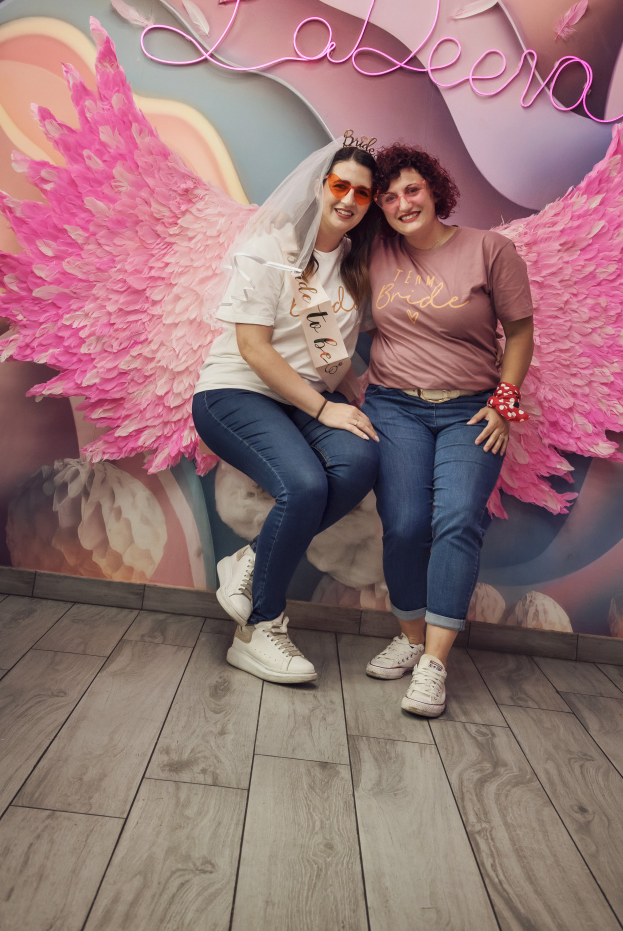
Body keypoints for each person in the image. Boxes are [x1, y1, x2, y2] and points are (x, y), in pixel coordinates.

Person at [192, 137, 381, 683]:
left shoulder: (356, 265)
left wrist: (354, 391)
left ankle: (251, 561)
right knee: (304, 484)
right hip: (236, 392)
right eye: (340, 185)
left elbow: (328, 350)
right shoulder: (270, 247)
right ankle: (259, 629)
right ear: (321, 186)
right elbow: (253, 348)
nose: (349, 199)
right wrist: (325, 410)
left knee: (362, 460)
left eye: (362, 193)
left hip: (304, 400)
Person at [362, 143, 534, 717]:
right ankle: (411, 639)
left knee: (458, 518)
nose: (403, 204)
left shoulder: (490, 249)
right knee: (405, 525)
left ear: (434, 189)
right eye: (389, 197)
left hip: (472, 410)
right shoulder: (375, 251)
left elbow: (520, 333)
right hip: (394, 407)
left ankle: (433, 665)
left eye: (411, 189)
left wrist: (503, 404)